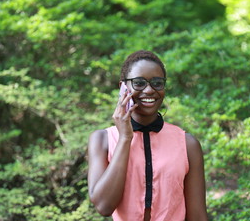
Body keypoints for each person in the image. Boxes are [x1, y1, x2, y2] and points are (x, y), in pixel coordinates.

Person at [88, 50, 208, 221]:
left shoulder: (187, 144)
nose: (149, 90)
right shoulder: (102, 140)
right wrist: (124, 138)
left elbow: (197, 216)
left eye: (157, 83)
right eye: (139, 83)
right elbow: (103, 206)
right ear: (123, 87)